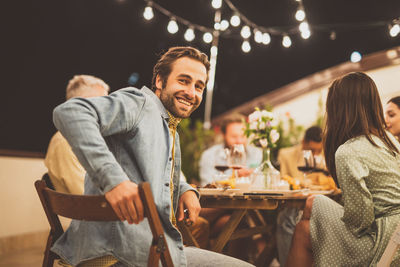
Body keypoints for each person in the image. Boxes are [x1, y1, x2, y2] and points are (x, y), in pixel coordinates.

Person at [51, 46, 253, 267]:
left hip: (150, 250)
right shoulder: (139, 104)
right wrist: (114, 182)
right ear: (159, 81)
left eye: (199, 86)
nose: (191, 93)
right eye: (183, 81)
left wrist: (184, 188)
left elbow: (154, 168)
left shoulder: (167, 123)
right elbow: (70, 112)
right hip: (119, 255)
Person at [286, 72, 400, 266]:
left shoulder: (348, 151)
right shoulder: (388, 140)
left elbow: (360, 221)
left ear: (338, 109)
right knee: (311, 211)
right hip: (395, 234)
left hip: (385, 243)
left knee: (304, 229)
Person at [44, 75, 110, 194]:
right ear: (78, 104)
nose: (106, 111)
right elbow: (86, 196)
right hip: (93, 210)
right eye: (101, 103)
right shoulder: (64, 142)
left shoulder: (89, 139)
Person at [275, 126, 323, 266]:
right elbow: (284, 179)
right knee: (287, 217)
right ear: (303, 142)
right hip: (294, 202)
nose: (315, 154)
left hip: (318, 203)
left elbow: (328, 181)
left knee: (287, 218)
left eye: (318, 150)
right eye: (312, 150)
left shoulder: (325, 155)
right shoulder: (286, 155)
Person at [199, 114, 262, 186]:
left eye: (243, 136)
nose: (239, 141)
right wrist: (233, 178)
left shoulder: (256, 153)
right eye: (234, 137)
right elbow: (207, 185)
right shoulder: (209, 155)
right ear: (223, 135)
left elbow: (263, 184)